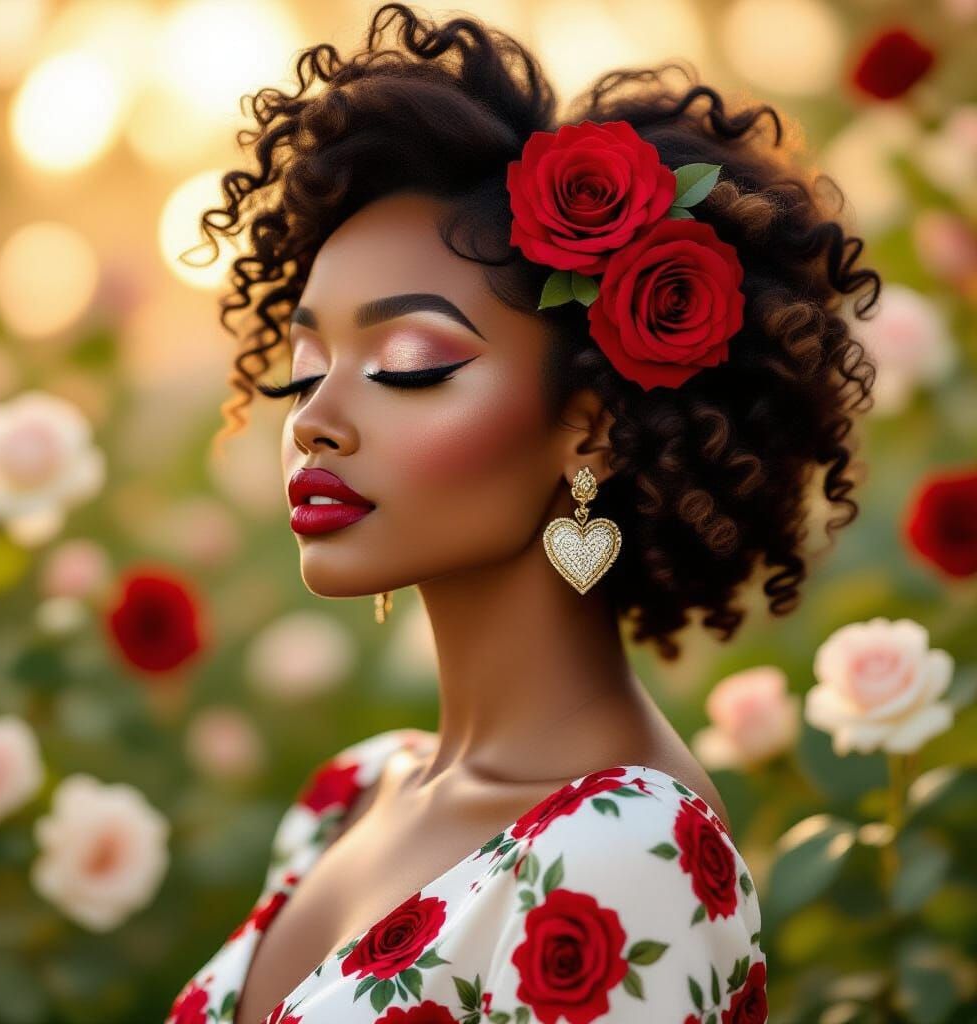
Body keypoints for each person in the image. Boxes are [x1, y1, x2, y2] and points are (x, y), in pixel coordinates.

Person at [166, 4, 878, 1022]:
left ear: (589, 429)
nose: (315, 420)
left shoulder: (627, 852)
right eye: (304, 367)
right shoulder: (351, 794)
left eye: (408, 364)